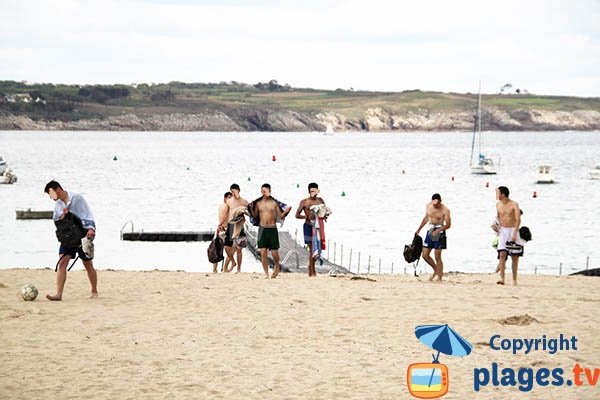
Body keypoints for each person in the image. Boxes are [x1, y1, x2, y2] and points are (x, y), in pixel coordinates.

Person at [44, 180, 98, 300]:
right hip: (67, 236)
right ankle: (59, 294)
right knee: (62, 262)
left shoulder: (76, 198)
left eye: (50, 193)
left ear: (57, 189)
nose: (50, 197)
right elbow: (57, 220)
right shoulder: (58, 205)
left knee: (88, 264)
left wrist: (91, 229)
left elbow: (87, 214)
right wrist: (63, 216)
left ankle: (94, 291)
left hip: (82, 234)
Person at [254, 183, 291, 278]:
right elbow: (254, 216)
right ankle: (266, 273)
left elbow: (280, 216)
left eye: (265, 190)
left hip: (272, 228)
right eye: (262, 190)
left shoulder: (274, 203)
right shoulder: (258, 203)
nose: (264, 192)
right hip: (262, 229)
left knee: (274, 252)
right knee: (263, 252)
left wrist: (286, 211)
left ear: (269, 191)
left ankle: (277, 266)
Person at [415, 193, 451, 281]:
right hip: (430, 230)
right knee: (425, 255)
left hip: (440, 231)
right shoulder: (428, 206)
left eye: (437, 204)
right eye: (434, 204)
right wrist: (418, 229)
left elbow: (448, 224)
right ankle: (436, 270)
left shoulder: (445, 210)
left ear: (440, 201)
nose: (436, 206)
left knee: (437, 256)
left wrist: (438, 231)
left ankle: (439, 277)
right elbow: (426, 218)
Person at [295, 182, 325, 277]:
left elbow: (323, 213)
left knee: (318, 248)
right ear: (309, 191)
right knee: (312, 249)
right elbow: (297, 215)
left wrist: (325, 216)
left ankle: (310, 267)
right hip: (308, 226)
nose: (314, 192)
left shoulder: (320, 200)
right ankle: (312, 271)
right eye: (312, 190)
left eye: (315, 190)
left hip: (318, 227)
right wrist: (306, 217)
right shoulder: (304, 202)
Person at [495, 186, 523, 285]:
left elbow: (518, 219)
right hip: (503, 230)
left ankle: (514, 279)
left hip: (512, 229)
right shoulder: (498, 204)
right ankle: (502, 278)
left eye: (498, 193)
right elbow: (498, 217)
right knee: (502, 254)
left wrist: (515, 232)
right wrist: (495, 226)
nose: (496, 195)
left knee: (515, 256)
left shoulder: (514, 204)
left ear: (503, 194)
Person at [223, 183, 248, 273]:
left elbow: (250, 212)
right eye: (232, 192)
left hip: (239, 225)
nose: (233, 193)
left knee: (239, 249)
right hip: (231, 224)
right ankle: (233, 262)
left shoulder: (244, 201)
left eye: (234, 191)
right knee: (226, 246)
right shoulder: (229, 201)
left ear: (238, 190)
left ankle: (239, 269)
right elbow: (226, 213)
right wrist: (222, 225)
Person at [213, 191, 232, 273]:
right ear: (225, 198)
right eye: (229, 198)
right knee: (230, 250)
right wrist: (220, 225)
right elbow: (224, 217)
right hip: (224, 229)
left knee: (217, 250)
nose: (231, 200)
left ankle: (215, 269)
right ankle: (225, 268)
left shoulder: (221, 205)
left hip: (220, 228)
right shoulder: (227, 207)